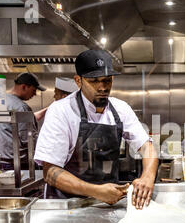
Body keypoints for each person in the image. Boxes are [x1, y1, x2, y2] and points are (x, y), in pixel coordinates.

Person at [34, 49, 158, 209]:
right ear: (78, 81)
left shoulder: (121, 109)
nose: (102, 87)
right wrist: (95, 191)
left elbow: (147, 147)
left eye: (107, 80)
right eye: (94, 81)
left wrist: (148, 177)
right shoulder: (61, 111)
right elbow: (50, 172)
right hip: (67, 206)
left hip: (106, 205)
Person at [0, 72, 46, 171]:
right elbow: (27, 138)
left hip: (2, 162)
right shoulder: (21, 107)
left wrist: (48, 108)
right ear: (24, 87)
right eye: (34, 90)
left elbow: (27, 119)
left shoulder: (3, 101)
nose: (34, 94)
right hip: (20, 165)